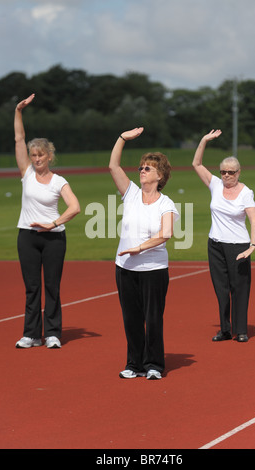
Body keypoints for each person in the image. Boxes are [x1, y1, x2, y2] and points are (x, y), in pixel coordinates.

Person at [109, 128, 179, 379]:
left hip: (153, 270)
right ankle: (134, 364)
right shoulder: (131, 194)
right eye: (141, 167)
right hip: (125, 268)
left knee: (153, 319)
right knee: (131, 319)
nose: (142, 170)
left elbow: (166, 234)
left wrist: (139, 247)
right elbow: (113, 166)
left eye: (148, 168)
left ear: (160, 175)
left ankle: (154, 365)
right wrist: (122, 138)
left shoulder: (166, 203)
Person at [14, 94, 80, 349]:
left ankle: (52, 333)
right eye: (33, 155)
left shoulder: (59, 181)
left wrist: (52, 224)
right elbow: (19, 138)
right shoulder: (26, 174)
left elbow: (75, 207)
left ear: (49, 156)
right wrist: (18, 111)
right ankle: (31, 334)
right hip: (27, 238)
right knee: (32, 287)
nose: (36, 159)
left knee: (52, 286)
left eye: (41, 155)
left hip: (53, 239)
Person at [192, 129, 255, 342]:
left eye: (231, 172)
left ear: (238, 172)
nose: (226, 175)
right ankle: (225, 329)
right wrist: (203, 140)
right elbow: (196, 164)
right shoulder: (214, 184)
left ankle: (241, 331)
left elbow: (254, 221)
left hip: (238, 246)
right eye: (223, 172)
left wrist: (252, 246)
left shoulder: (246, 192)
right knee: (221, 289)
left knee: (239, 288)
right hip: (215, 245)